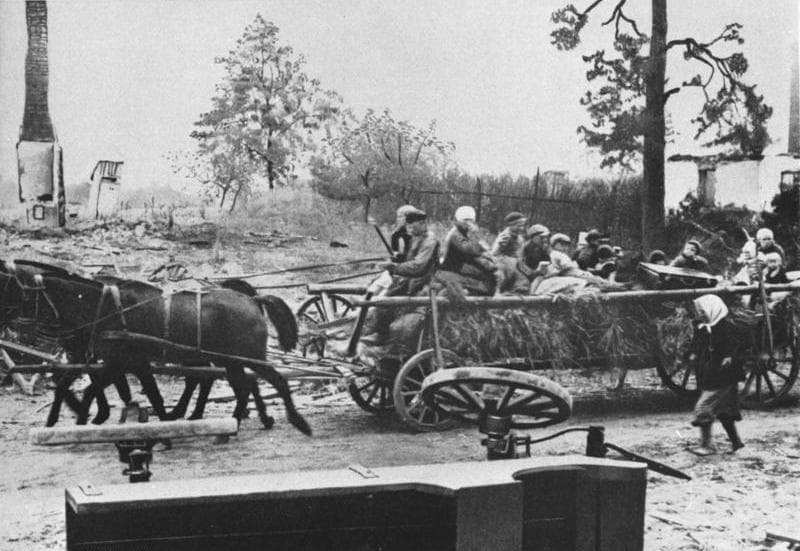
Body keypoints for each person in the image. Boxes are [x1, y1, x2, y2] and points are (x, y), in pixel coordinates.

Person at [688, 295, 745, 456]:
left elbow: (735, 346)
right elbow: (695, 346)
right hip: (710, 376)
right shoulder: (701, 329)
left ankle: (708, 446)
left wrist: (729, 356)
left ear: (713, 309)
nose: (700, 314)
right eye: (699, 311)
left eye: (703, 311)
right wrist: (692, 354)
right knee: (723, 411)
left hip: (723, 377)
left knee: (703, 408)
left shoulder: (726, 328)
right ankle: (736, 442)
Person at [438, 206, 497, 295]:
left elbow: (483, 248)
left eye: (470, 220)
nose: (468, 223)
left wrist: (487, 256)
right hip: (451, 270)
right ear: (458, 221)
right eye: (465, 220)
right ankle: (465, 294)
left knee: (489, 273)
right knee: (485, 279)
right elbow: (469, 250)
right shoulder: (455, 234)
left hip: (461, 268)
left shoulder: (463, 233)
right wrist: (474, 234)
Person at [498, 224, 551, 294]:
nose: (545, 240)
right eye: (541, 237)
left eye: (546, 237)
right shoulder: (525, 247)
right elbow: (519, 264)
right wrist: (534, 273)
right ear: (533, 237)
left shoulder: (544, 250)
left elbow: (548, 265)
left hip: (535, 276)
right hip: (520, 273)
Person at [491, 212, 528, 293]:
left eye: (522, 226)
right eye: (518, 226)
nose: (521, 228)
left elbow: (520, 253)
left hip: (514, 264)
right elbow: (494, 252)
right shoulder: (505, 236)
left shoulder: (519, 238)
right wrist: (500, 246)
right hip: (503, 264)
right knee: (500, 278)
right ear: (511, 225)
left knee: (522, 281)